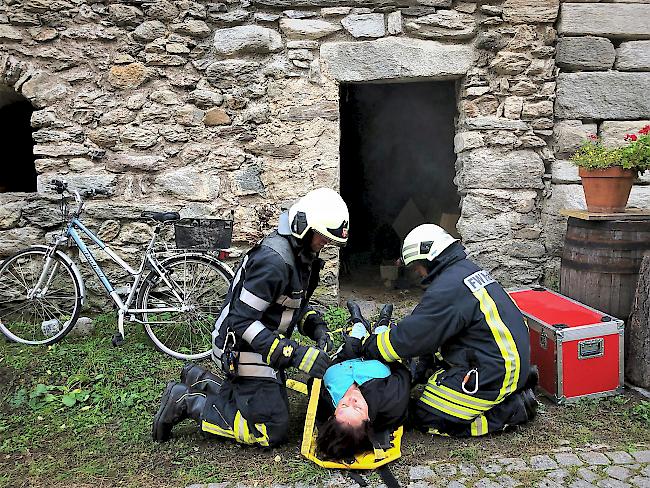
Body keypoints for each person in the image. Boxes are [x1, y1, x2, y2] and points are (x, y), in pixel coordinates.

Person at [152, 188, 349, 447]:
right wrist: (294, 354)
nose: (325, 244)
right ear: (303, 226)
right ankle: (187, 402)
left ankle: (200, 380)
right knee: (271, 429)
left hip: (260, 345)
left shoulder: (302, 257)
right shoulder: (274, 262)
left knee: (265, 402)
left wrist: (317, 327)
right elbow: (241, 322)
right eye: (322, 237)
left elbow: (292, 307)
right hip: (237, 346)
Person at [341, 223, 538, 437]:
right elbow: (429, 322)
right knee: (432, 380)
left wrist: (372, 347)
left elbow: (414, 336)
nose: (417, 273)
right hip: (504, 360)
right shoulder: (464, 271)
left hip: (494, 371)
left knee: (427, 414)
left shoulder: (449, 288)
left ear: (430, 256)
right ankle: (511, 388)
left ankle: (513, 409)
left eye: (417, 266)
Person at [315, 302, 411, 461]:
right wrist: (391, 361)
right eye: (358, 407)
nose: (351, 399)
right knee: (380, 338)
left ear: (332, 416)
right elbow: (404, 376)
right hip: (378, 359)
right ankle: (383, 322)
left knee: (353, 339)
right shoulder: (390, 404)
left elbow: (314, 383)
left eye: (344, 406)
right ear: (368, 420)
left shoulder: (324, 404)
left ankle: (358, 322)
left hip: (344, 361)